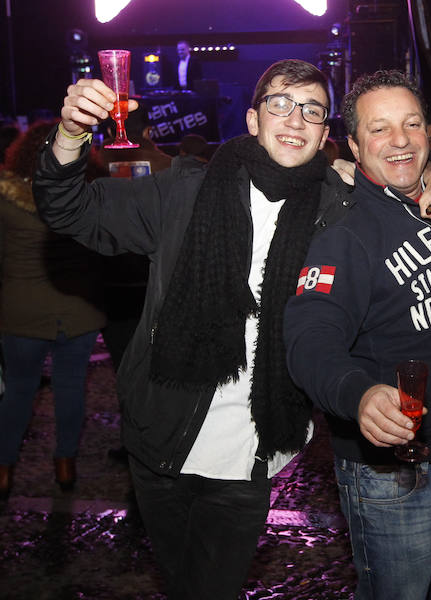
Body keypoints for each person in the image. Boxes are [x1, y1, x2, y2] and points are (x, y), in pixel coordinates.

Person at [32, 59, 353, 600]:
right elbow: (68, 209)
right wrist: (69, 135)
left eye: (312, 109)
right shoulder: (183, 192)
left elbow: (410, 194)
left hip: (252, 448)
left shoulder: (338, 208)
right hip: (161, 436)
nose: (295, 118)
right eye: (280, 103)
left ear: (325, 133)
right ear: (253, 119)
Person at [284, 70, 431, 600]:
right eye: (379, 130)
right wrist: (359, 393)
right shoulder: (345, 234)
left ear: (430, 133)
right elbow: (309, 336)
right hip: (394, 477)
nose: (400, 141)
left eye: (412, 124)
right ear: (353, 146)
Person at [0, 120, 106, 498]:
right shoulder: (86, 195)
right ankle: (65, 464)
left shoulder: (5, 199)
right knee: (71, 388)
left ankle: (4, 468)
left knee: (18, 389)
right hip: (77, 307)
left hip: (20, 310)